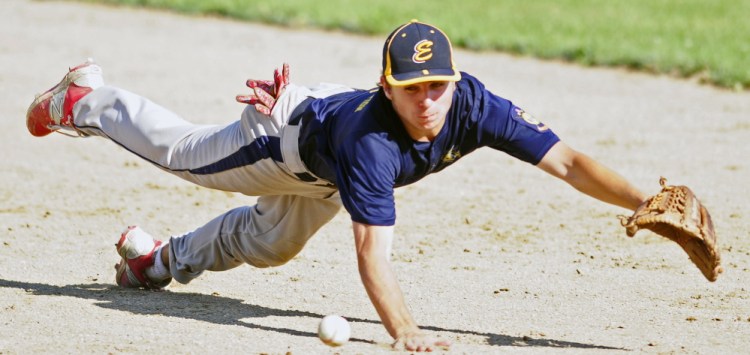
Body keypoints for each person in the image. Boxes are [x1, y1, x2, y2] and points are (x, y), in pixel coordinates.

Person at [26, 20, 647, 352]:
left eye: (438, 85)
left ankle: (156, 261)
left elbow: (567, 163)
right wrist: (405, 331)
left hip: (326, 164)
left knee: (271, 247)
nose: (428, 101)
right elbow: (371, 252)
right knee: (184, 154)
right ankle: (85, 97)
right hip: (285, 138)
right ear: (387, 87)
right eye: (411, 88)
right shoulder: (371, 144)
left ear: (456, 81)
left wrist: (646, 203)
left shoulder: (475, 106)